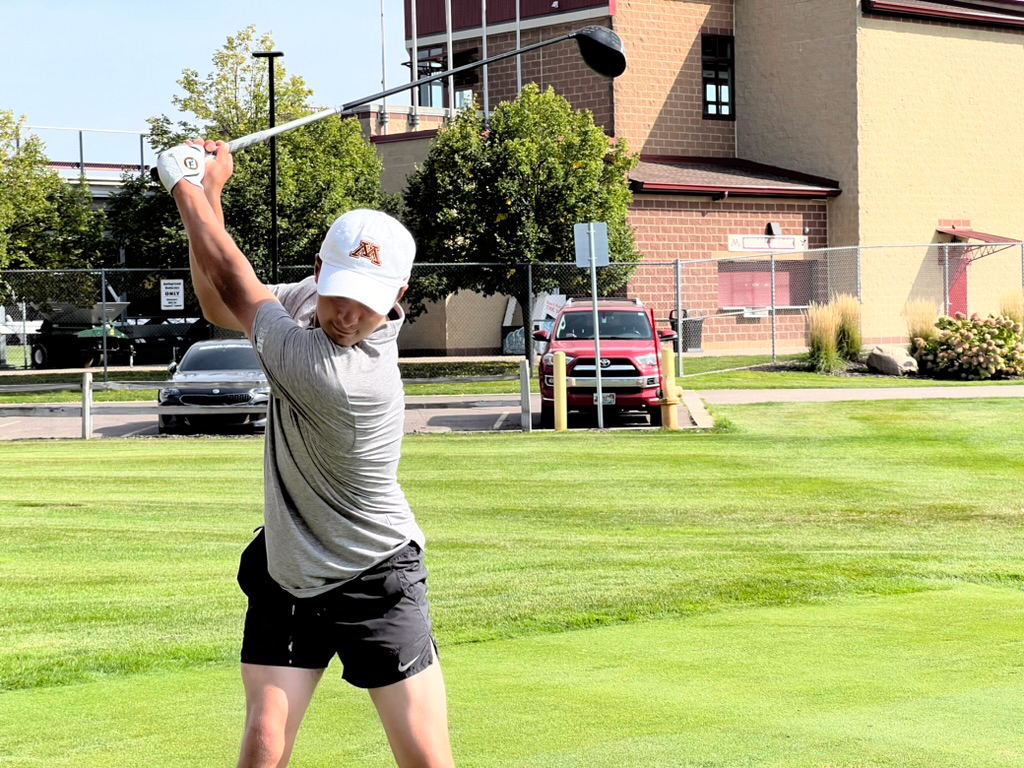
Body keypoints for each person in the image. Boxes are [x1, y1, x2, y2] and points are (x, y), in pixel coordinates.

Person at [158, 139, 456, 768]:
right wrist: (210, 193)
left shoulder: (345, 375)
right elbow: (219, 301)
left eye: (369, 303)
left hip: (374, 574)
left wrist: (184, 188)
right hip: (289, 571)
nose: (347, 315)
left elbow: (238, 284)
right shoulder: (307, 306)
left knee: (425, 760)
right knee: (264, 745)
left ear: (398, 294)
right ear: (319, 270)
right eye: (339, 292)